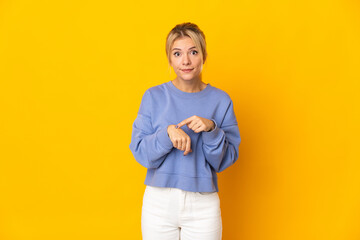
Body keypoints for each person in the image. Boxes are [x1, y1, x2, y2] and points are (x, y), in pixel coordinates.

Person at [129, 22, 241, 240]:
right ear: (170, 59)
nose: (186, 61)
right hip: (158, 203)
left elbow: (225, 160)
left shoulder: (221, 100)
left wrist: (212, 129)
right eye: (177, 53)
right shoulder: (153, 97)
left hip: (203, 204)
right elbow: (141, 153)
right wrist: (167, 134)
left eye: (193, 52)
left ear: (204, 56)